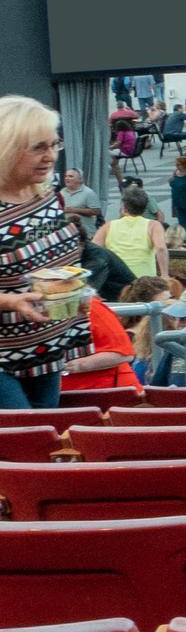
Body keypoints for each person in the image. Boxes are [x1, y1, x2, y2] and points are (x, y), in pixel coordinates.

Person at [0, 99, 94, 409]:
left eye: (54, 144)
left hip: (47, 347)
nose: (51, 156)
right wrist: (11, 301)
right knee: (26, 444)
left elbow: (57, 258)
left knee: (40, 446)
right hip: (4, 354)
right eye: (38, 147)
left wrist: (77, 291)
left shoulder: (46, 193)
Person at [61, 295, 140, 393]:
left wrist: (73, 366)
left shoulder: (88, 305)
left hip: (109, 393)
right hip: (63, 395)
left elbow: (124, 354)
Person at [100, 188, 169, 279]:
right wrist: (164, 274)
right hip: (144, 278)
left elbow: (95, 248)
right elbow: (161, 248)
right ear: (145, 208)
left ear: (123, 207)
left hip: (116, 277)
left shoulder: (108, 226)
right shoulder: (153, 226)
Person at [58, 168, 103, 239]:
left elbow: (96, 211)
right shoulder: (61, 192)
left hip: (85, 234)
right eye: (66, 176)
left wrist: (74, 210)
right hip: (67, 234)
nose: (67, 178)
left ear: (80, 180)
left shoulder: (88, 193)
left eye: (71, 176)